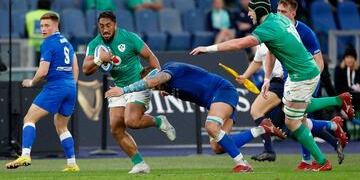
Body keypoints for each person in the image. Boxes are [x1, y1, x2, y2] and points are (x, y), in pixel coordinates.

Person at [191, 0, 335, 171]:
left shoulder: (268, 27)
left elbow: (239, 44)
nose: (249, 14)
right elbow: (272, 52)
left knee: (293, 122)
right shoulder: (278, 19)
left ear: (258, 11)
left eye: (251, 10)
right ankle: (335, 113)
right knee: (297, 117)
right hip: (297, 74)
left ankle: (321, 159)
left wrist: (209, 48)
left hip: (301, 75)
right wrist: (267, 79)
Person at [104, 61, 286, 173]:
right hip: (216, 101)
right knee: (218, 147)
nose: (155, 89)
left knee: (211, 127)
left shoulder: (170, 69)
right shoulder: (167, 85)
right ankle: (262, 129)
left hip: (222, 91)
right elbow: (163, 84)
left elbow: (154, 80)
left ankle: (243, 165)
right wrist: (165, 90)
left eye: (154, 86)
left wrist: (124, 90)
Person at [82, 11, 175, 174]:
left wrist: (162, 83)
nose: (105, 29)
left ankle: (159, 121)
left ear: (115, 25)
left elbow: (151, 57)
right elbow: (86, 70)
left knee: (131, 121)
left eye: (108, 25)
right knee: (116, 128)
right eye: (102, 26)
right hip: (119, 89)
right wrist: (99, 59)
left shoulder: (129, 37)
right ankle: (140, 164)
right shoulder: (95, 44)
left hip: (138, 85)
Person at [238, 43, 349, 166]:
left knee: (257, 111)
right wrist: (245, 76)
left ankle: (269, 150)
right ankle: (333, 129)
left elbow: (297, 56)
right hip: (281, 82)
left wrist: (214, 48)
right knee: (299, 122)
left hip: (284, 81)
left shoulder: (278, 36)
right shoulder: (262, 42)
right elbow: (257, 62)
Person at [5, 12, 80, 171]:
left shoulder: (48, 43)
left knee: (29, 119)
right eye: (41, 26)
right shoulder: (67, 42)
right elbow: (76, 67)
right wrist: (71, 85)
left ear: (56, 26)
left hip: (56, 86)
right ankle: (72, 164)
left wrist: (32, 82)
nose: (43, 29)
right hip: (70, 87)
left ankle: (25, 154)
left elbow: (43, 71)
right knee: (61, 126)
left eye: (47, 26)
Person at [25, 0, 54, 64]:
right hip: (49, 48)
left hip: (32, 49)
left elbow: (26, 33)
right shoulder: (55, 16)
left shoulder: (29, 15)